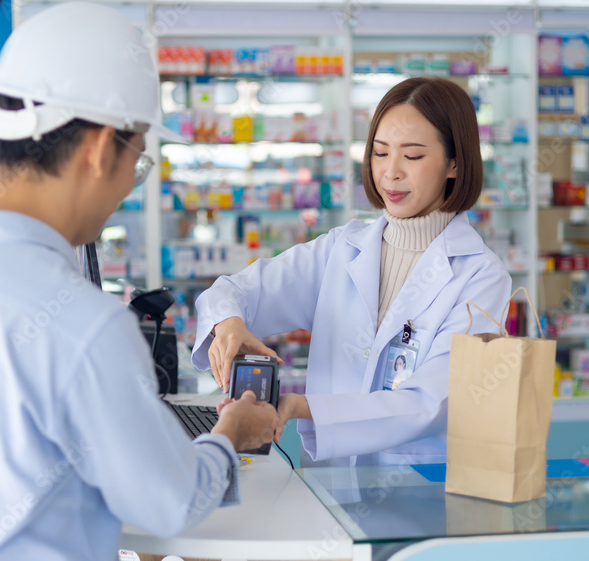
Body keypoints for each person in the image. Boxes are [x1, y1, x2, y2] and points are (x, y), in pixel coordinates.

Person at [0, 4, 278, 561]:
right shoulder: (84, 323)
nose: (127, 189)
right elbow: (170, 503)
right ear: (97, 150)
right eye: (137, 163)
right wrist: (233, 432)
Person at [193, 77, 512, 466]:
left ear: (454, 163)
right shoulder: (342, 249)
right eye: (380, 153)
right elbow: (234, 291)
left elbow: (433, 401)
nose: (390, 173)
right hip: (332, 483)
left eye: (412, 157)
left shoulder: (481, 276)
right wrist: (229, 325)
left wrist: (297, 405)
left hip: (421, 486)